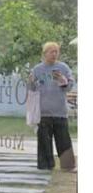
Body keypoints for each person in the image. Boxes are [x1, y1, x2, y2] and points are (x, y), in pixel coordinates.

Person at [27, 42, 76, 171]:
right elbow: (31, 89)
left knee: (63, 140)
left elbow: (70, 86)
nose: (54, 54)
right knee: (44, 141)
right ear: (45, 54)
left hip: (60, 111)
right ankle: (45, 166)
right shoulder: (37, 69)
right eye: (51, 52)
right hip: (43, 112)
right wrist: (30, 82)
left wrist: (63, 80)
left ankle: (68, 165)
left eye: (56, 51)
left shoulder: (63, 67)